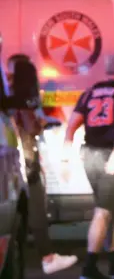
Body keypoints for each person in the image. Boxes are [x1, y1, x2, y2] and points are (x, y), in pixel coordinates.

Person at [63, 53, 114, 279]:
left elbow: (72, 125)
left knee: (109, 210)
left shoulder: (90, 92)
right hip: (111, 156)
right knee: (104, 212)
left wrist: (66, 155)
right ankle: (90, 267)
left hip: (89, 155)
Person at [6, 54, 78, 275]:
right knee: (36, 204)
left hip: (9, 153)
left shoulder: (6, 92)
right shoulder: (23, 95)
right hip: (25, 154)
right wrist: (41, 124)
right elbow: (30, 125)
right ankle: (47, 257)